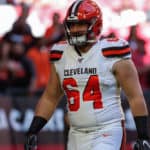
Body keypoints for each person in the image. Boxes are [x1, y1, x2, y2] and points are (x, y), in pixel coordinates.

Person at [24, 0, 150, 150]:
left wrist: (143, 136)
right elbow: (50, 97)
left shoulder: (112, 52)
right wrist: (33, 130)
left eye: (81, 24)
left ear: (95, 25)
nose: (75, 29)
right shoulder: (61, 53)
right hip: (76, 133)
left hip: (107, 130)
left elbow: (135, 96)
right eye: (72, 25)